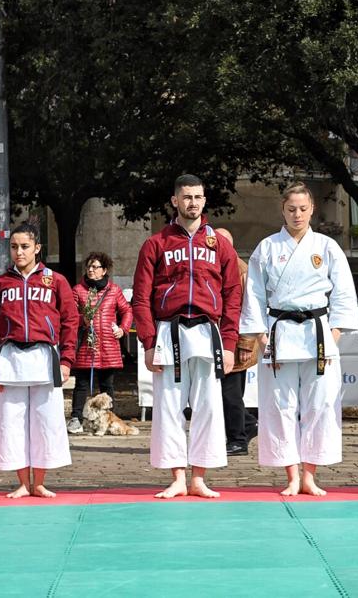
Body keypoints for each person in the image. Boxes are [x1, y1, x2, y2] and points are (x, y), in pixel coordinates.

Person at [240, 183, 358, 495]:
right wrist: (260, 334)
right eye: (291, 209)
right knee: (280, 406)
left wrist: (334, 331)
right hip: (279, 332)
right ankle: (291, 474)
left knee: (319, 405)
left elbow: (345, 291)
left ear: (312, 210)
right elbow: (252, 292)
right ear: (283, 210)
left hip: (316, 334)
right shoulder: (266, 248)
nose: (297, 214)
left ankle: (310, 474)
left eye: (303, 209)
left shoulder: (326, 247)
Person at [132, 174, 242, 499]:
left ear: (204, 201)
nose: (192, 202)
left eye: (198, 197)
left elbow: (233, 294)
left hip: (208, 332)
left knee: (208, 406)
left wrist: (230, 343)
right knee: (168, 406)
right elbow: (141, 297)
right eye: (187, 197)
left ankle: (200, 478)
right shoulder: (157, 244)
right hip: (170, 330)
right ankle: (178, 476)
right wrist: (149, 343)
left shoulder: (218, 245)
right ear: (175, 201)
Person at [0, 222, 80, 498]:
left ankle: (39, 482)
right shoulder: (0, 284)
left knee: (45, 420)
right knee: (11, 421)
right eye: (14, 247)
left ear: (37, 248)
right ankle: (23, 482)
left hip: (44, 356)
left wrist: (67, 360)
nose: (19, 252)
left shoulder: (55, 281)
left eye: (25, 247)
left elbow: (71, 320)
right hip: (9, 357)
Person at [68, 252, 133, 434]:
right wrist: (82, 320)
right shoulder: (78, 290)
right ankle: (76, 418)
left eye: (95, 267)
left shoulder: (114, 291)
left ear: (104, 270)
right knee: (81, 384)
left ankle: (108, 419)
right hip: (86, 346)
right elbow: (70, 314)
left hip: (108, 345)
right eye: (88, 266)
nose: (90, 270)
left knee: (107, 384)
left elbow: (127, 310)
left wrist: (123, 329)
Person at [214, 228, 259, 457]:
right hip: (218, 339)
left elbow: (248, 309)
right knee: (221, 393)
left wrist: (244, 345)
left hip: (235, 342)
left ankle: (238, 440)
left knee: (230, 394)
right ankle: (248, 425)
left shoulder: (241, 270)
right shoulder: (216, 266)